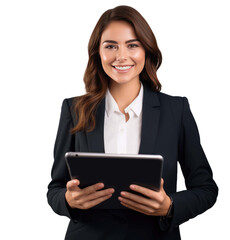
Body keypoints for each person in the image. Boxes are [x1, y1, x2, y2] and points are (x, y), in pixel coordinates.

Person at [47, 5, 218, 240]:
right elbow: (55, 189)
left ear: (146, 50)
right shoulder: (74, 109)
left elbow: (207, 189)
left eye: (132, 45)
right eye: (110, 46)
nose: (121, 56)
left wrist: (169, 206)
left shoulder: (176, 110)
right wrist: (68, 200)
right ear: (98, 53)